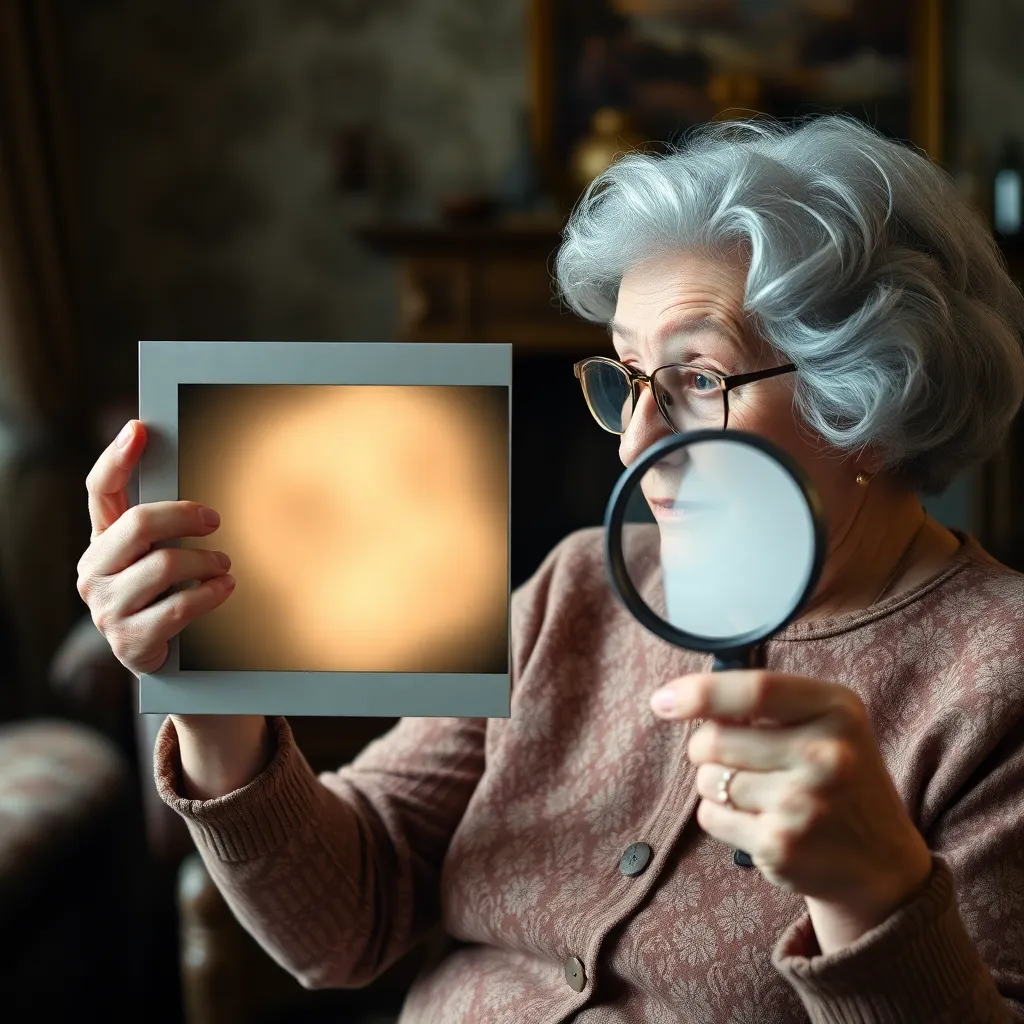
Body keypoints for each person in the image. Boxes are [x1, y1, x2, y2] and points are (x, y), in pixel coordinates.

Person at [77, 115, 1024, 1022]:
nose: (636, 444)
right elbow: (344, 922)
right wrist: (212, 700)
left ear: (869, 396)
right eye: (626, 379)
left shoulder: (998, 676)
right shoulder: (580, 586)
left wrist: (871, 895)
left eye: (698, 378)